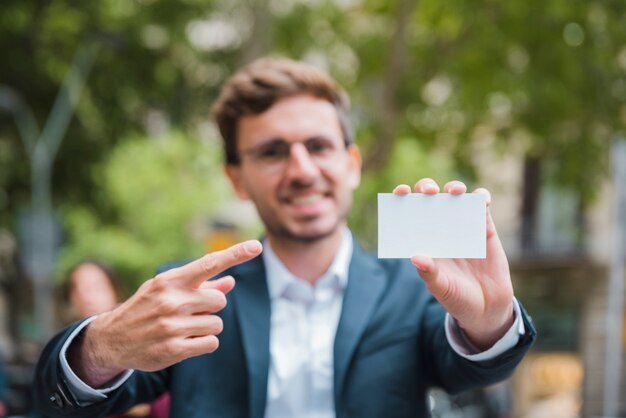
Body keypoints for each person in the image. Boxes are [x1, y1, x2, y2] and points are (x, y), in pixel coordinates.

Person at [32, 57, 536, 418]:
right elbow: (63, 400)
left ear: (352, 163)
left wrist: (491, 323)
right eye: (272, 152)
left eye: (318, 146)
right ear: (236, 178)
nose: (301, 170)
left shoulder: (411, 287)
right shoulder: (192, 293)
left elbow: (469, 371)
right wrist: (101, 348)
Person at [62, 261, 170, 418]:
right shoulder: (65, 348)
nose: (85, 296)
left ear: (114, 291)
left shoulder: (141, 334)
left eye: (95, 287)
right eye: (77, 289)